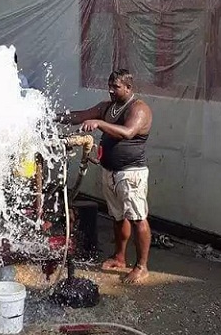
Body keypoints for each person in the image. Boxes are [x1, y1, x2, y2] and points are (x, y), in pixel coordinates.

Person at [56, 69, 153, 284]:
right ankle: (120, 257)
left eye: (116, 87)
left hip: (131, 173)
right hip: (110, 171)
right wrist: (49, 115)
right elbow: (79, 116)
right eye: (109, 85)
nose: (110, 90)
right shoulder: (107, 107)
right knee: (118, 216)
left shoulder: (139, 109)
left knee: (137, 218)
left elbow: (127, 132)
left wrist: (99, 124)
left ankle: (142, 266)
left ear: (129, 87)